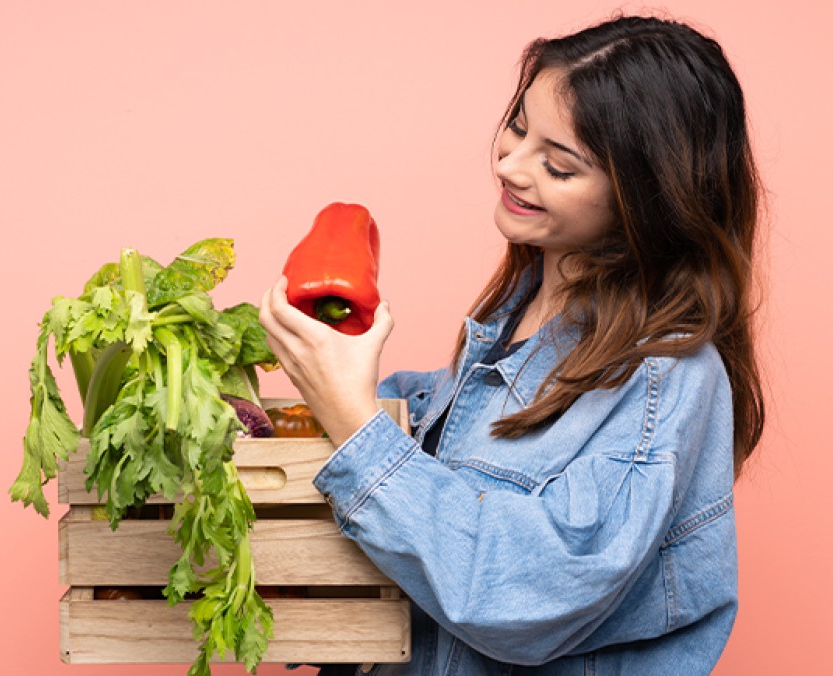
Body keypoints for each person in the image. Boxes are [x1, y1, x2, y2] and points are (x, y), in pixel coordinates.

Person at [259, 13, 765, 676]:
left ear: (646, 197)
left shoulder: (663, 376)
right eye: (519, 127)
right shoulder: (518, 310)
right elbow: (468, 471)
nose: (510, 164)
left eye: (558, 165)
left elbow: (521, 596)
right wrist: (352, 396)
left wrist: (357, 427)